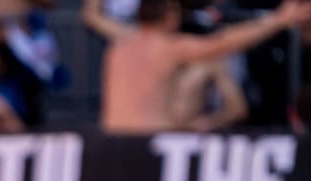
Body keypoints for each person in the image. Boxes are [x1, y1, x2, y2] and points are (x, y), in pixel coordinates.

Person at [98, 0, 311, 133]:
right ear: (170, 16)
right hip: (152, 146)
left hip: (112, 143)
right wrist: (278, 20)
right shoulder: (167, 47)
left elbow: (93, 17)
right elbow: (223, 42)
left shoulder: (118, 49)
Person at [83, 0, 248, 131]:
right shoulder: (140, 42)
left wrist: (210, 122)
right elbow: (93, 17)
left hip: (182, 142)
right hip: (142, 137)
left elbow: (237, 108)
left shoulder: (207, 56)